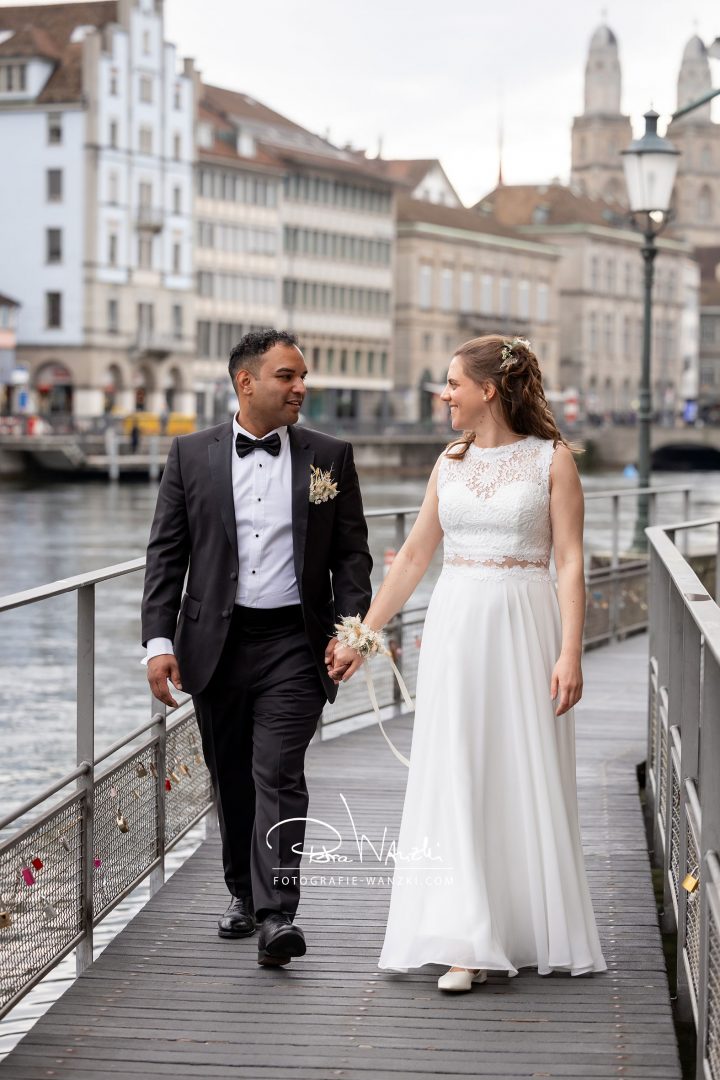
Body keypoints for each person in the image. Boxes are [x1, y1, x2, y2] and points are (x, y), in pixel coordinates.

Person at [327, 334, 608, 992]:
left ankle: (512, 927)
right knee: (456, 771)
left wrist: (571, 651)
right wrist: (362, 637)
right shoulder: (448, 461)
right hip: (456, 626)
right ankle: (467, 940)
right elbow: (416, 559)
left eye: (452, 383)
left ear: (488, 390)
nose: (442, 395)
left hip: (524, 624)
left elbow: (570, 562)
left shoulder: (552, 461)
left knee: (516, 768)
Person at [141, 329, 372, 967]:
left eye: (302, 377)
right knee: (233, 779)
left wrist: (350, 630)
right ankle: (243, 894)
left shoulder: (331, 455)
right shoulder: (190, 455)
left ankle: (277, 917)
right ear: (246, 383)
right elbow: (166, 556)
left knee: (279, 774)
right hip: (213, 644)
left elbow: (353, 553)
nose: (301, 388)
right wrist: (159, 642)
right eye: (287, 377)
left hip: (295, 645)